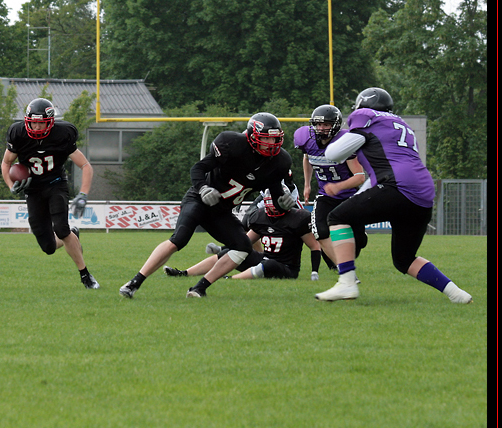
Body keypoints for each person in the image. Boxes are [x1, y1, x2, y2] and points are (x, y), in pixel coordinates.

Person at [315, 88, 472, 303]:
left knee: (337, 218)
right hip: (423, 192)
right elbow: (377, 174)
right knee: (404, 259)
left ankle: (347, 283)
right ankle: (458, 295)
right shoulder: (401, 126)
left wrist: (343, 145)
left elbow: (333, 154)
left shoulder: (366, 117)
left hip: (398, 185)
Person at [119, 112, 298, 300]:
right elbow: (198, 169)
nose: (271, 144)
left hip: (220, 211)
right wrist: (203, 188)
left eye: (274, 139)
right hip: (200, 199)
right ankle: (134, 282)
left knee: (243, 246)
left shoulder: (279, 161)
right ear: (252, 136)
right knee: (178, 240)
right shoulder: (231, 143)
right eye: (266, 139)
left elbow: (276, 191)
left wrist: (284, 202)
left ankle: (199, 288)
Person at [1, 98, 99, 289]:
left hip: (55, 184)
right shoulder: (18, 133)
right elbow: (6, 163)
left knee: (61, 229)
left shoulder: (62, 133)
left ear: (51, 122)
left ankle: (85, 275)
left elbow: (85, 165)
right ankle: (73, 235)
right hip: (33, 189)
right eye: (33, 122)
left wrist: (84, 194)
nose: (36, 127)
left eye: (41, 123)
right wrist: (10, 185)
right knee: (48, 247)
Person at [164, 187, 321, 280]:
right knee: (229, 253)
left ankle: (231, 279)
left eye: (274, 200)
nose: (270, 203)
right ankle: (184, 273)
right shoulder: (262, 217)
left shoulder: (298, 218)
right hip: (264, 258)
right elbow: (245, 243)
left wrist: (314, 272)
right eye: (269, 199)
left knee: (269, 264)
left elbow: (314, 246)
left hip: (286, 268)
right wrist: (222, 248)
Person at [294, 104, 369, 281]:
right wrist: (307, 185)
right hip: (325, 196)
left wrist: (338, 187)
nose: (321, 128)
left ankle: (347, 255)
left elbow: (359, 177)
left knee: (358, 242)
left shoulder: (343, 143)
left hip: (348, 196)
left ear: (335, 125)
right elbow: (307, 158)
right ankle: (346, 273)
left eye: (326, 124)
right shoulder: (308, 142)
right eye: (318, 124)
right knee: (319, 231)